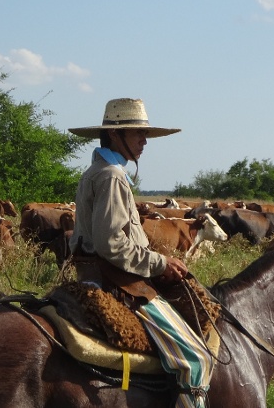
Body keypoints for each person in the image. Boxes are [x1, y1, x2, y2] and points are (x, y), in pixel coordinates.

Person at [68, 98, 212, 408]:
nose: (144, 141)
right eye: (137, 134)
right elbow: (111, 244)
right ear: (115, 136)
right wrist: (160, 263)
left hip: (96, 272)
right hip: (117, 281)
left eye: (145, 135)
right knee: (196, 357)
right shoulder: (111, 176)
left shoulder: (98, 170)